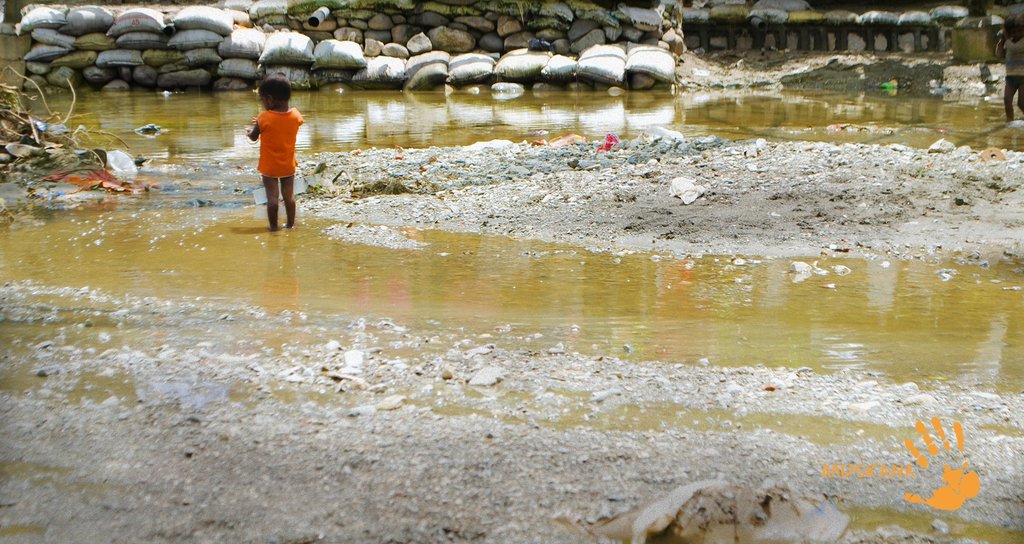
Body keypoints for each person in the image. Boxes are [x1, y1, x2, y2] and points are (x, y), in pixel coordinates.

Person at [247, 73, 304, 231]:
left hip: (269, 166)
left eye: (263, 100)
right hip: (288, 164)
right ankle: (291, 225)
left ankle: (273, 228)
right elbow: (288, 122)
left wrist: (249, 131)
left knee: (272, 198)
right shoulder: (296, 115)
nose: (263, 103)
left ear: (270, 99)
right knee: (289, 196)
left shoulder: (263, 117)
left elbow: (254, 136)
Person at [996, 14, 1024, 122]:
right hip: (1011, 76)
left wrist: (1006, 39)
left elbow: (1015, 48)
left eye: (1020, 31)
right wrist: (1001, 43)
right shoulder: (1009, 42)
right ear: (1009, 32)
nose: (1017, 34)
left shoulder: (1021, 41)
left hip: (1023, 77)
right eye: (1014, 32)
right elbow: (999, 54)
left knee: (1021, 103)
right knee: (1007, 100)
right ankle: (1009, 122)